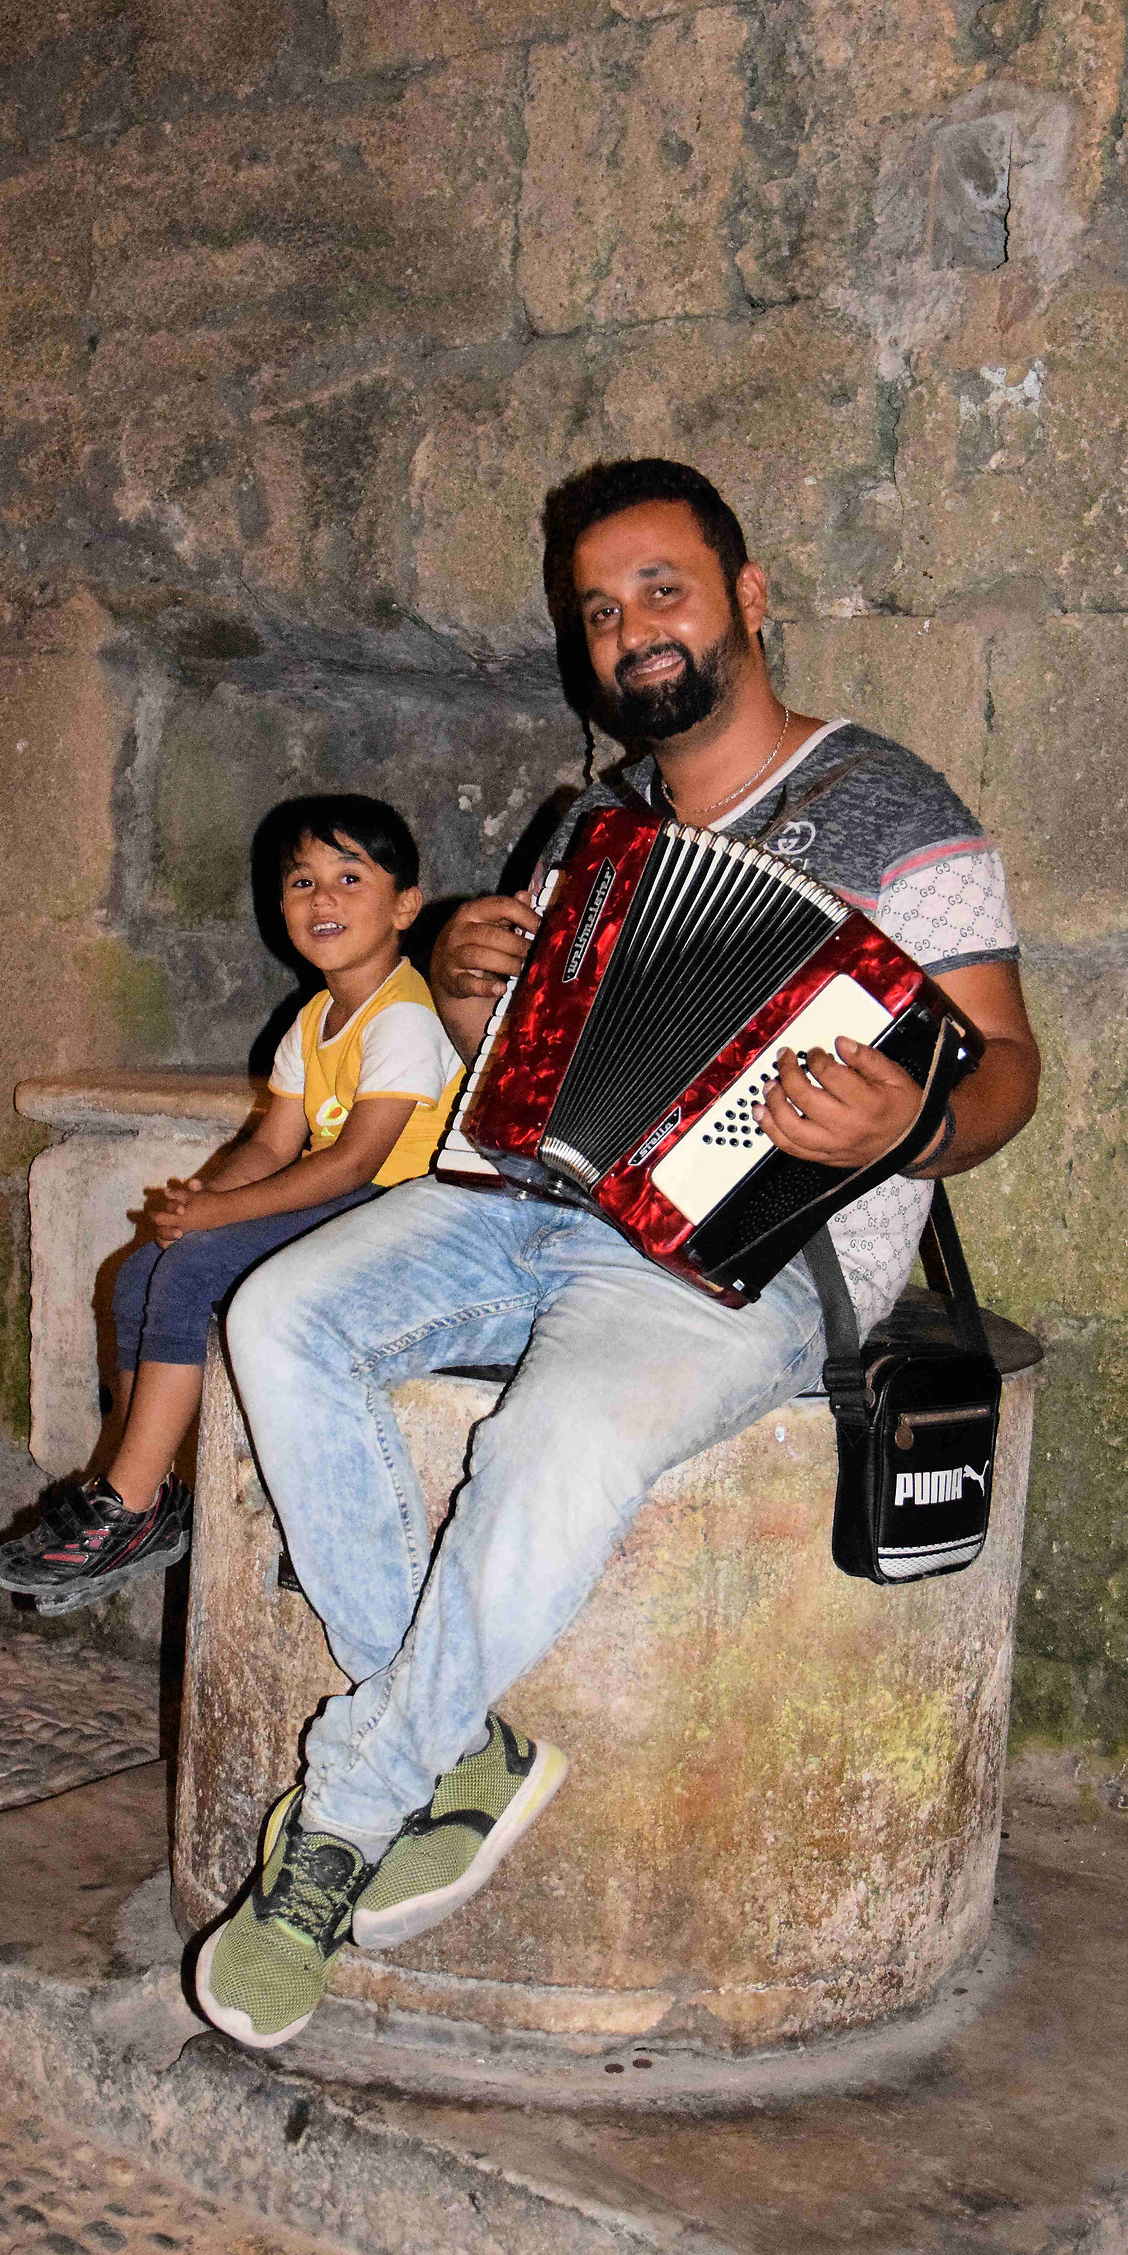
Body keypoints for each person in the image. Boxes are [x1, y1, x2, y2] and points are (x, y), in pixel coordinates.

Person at [194, 457, 1042, 2051]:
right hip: (531, 1199)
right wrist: (456, 978)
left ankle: (346, 1815)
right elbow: (507, 1051)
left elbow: (1003, 1065)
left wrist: (904, 1132)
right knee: (283, 1309)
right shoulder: (593, 823)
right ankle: (460, 1752)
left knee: (563, 1437)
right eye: (601, 611)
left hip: (756, 1263)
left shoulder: (903, 815)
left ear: (748, 596)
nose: (633, 629)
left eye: (663, 588)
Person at [0, 794, 462, 1618]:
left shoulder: (407, 1015)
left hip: (406, 1210)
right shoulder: (314, 1019)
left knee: (197, 1267)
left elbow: (352, 1163)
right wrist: (206, 1197)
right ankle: (141, 1487)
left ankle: (126, 1507)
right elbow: (273, 1145)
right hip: (352, 1201)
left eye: (351, 877)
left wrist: (214, 1224)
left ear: (405, 905)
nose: (324, 899)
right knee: (141, 1272)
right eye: (302, 882)